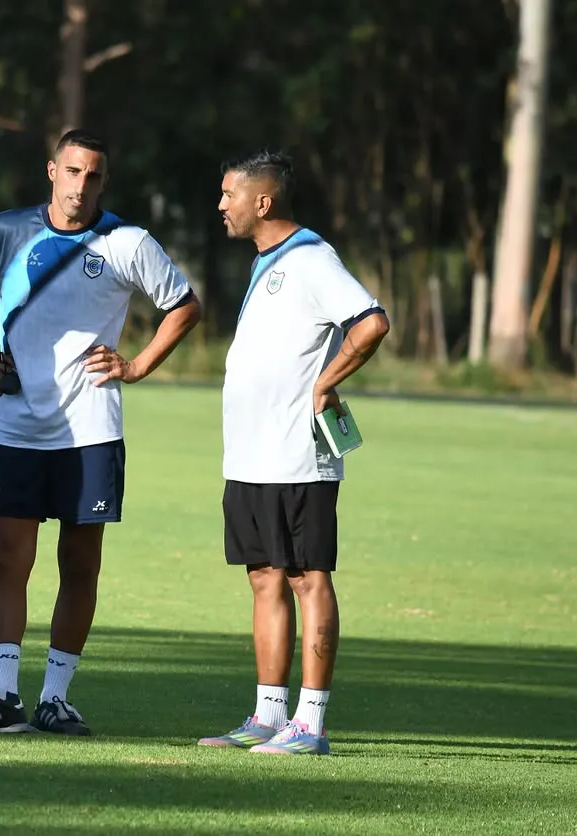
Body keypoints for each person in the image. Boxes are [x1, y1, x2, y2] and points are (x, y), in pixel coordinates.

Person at [0, 129, 202, 735]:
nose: (81, 185)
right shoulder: (9, 229)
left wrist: (135, 366)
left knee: (79, 565)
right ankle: (1, 696)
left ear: (104, 183)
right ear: (51, 171)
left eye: (94, 175)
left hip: (90, 430)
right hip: (17, 427)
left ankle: (56, 698)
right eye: (72, 171)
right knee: (5, 559)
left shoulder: (127, 242)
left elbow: (184, 306)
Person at [197, 150, 390, 755]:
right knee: (263, 578)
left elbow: (371, 323)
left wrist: (326, 382)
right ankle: (267, 714)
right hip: (250, 457)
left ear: (264, 201)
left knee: (308, 579)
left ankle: (311, 724)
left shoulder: (310, 258)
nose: (221, 205)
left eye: (230, 194)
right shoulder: (267, 262)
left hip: (297, 456)